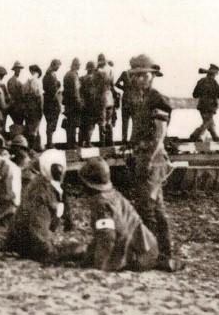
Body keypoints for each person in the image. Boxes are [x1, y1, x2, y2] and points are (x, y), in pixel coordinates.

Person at [128, 55, 182, 272]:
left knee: (147, 207)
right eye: (137, 76)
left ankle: (153, 254)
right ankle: (164, 254)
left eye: (144, 75)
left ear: (153, 76)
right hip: (144, 156)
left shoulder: (157, 99)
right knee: (156, 208)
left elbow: (159, 136)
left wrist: (148, 162)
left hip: (153, 159)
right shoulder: (141, 98)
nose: (140, 79)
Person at [77, 157, 159, 272]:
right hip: (148, 248)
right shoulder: (113, 194)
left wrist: (99, 265)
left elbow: (107, 236)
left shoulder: (101, 203)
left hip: (139, 256)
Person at [4, 150, 72, 262]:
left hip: (26, 241)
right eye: (56, 168)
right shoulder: (41, 191)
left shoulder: (47, 185)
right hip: (28, 244)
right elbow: (37, 229)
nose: (59, 172)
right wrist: (51, 252)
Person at [189, 64, 219, 142]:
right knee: (208, 122)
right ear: (214, 74)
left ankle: (215, 137)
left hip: (201, 106)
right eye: (216, 73)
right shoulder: (213, 82)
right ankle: (195, 135)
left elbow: (194, 95)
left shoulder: (201, 81)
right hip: (210, 107)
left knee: (209, 122)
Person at [94, 54, 116, 146]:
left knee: (102, 122)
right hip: (110, 97)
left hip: (101, 97)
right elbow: (112, 84)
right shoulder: (110, 70)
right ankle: (110, 142)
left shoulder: (98, 71)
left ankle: (102, 143)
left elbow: (94, 83)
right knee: (109, 121)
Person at [115, 63, 140, 144]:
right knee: (135, 121)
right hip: (135, 100)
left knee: (125, 121)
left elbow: (116, 84)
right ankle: (133, 140)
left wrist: (124, 88)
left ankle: (124, 140)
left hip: (125, 99)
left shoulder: (125, 73)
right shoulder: (138, 75)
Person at [62, 58, 82, 149]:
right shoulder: (74, 75)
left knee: (69, 124)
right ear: (75, 65)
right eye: (78, 64)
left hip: (67, 103)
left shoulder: (67, 74)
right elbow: (76, 90)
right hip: (73, 103)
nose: (80, 66)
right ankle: (73, 144)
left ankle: (69, 143)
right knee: (73, 125)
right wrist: (79, 102)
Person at [23, 64, 44, 151]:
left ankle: (36, 146)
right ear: (38, 73)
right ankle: (31, 148)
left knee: (29, 127)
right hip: (35, 107)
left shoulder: (26, 82)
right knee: (35, 128)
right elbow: (39, 97)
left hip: (28, 108)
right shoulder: (38, 82)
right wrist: (41, 109)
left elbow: (24, 95)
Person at [42, 59, 62, 149]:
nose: (58, 68)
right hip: (52, 102)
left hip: (47, 101)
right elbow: (53, 91)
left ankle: (49, 142)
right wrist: (58, 87)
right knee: (51, 123)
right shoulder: (50, 76)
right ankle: (49, 143)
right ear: (54, 65)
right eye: (58, 66)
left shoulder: (47, 75)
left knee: (50, 123)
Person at [79, 61, 98, 147]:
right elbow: (92, 93)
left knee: (83, 124)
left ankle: (80, 142)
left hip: (83, 104)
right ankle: (88, 142)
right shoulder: (92, 79)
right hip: (91, 104)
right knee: (91, 124)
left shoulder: (82, 78)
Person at [7, 61, 25, 127]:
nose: (19, 70)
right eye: (17, 69)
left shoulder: (18, 80)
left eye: (20, 69)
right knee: (18, 124)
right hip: (16, 107)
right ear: (14, 69)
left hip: (18, 106)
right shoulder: (12, 80)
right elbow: (13, 94)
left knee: (19, 124)